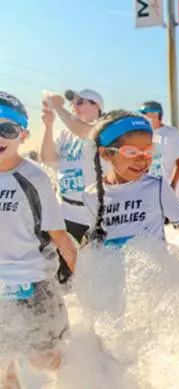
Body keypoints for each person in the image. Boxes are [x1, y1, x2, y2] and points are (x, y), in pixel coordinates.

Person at [0, 92, 77, 388]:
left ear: (23, 134)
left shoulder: (34, 178)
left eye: (6, 129)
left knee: (49, 361)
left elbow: (60, 237)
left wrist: (87, 281)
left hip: (34, 287)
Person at [82, 110, 179, 247]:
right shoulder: (91, 195)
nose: (142, 160)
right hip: (115, 273)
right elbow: (96, 244)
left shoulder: (156, 187)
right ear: (106, 154)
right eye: (131, 152)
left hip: (156, 272)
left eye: (148, 151)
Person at [40, 88, 103, 284]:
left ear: (97, 106)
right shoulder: (66, 133)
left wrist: (57, 105)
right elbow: (47, 158)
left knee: (93, 276)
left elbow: (83, 131)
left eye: (82, 101)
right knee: (62, 277)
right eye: (74, 102)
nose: (75, 105)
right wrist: (49, 126)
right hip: (65, 212)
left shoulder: (102, 128)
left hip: (93, 215)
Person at [139, 101, 179, 201]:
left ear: (155, 114)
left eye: (144, 113)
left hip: (174, 195)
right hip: (153, 193)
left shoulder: (172, 133)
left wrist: (173, 185)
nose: (141, 116)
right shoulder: (144, 135)